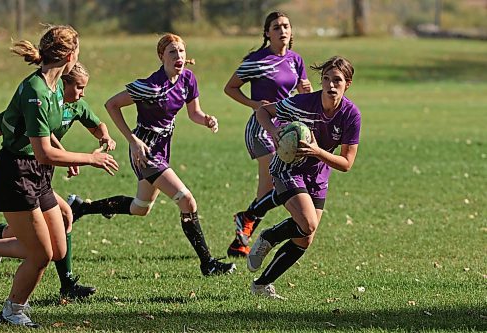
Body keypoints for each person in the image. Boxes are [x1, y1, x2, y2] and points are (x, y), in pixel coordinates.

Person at [67, 33, 236, 276]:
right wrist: (132, 140)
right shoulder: (150, 86)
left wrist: (207, 120)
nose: (178, 56)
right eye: (172, 52)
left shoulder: (188, 79)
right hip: (145, 149)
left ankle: (82, 207)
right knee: (187, 200)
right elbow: (111, 104)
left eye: (181, 51)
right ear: (161, 56)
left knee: (140, 207)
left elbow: (194, 113)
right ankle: (208, 263)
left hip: (162, 149)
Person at [0, 25, 119, 328]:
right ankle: (12, 311)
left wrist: (73, 153)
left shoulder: (53, 89)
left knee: (58, 248)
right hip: (16, 173)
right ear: (71, 56)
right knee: (40, 255)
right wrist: (90, 158)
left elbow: (46, 138)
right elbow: (43, 151)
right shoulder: (35, 91)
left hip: (37, 174)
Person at [248, 56, 361, 299]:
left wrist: (318, 152)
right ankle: (269, 236)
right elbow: (262, 112)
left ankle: (261, 285)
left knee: (304, 239)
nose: (331, 85)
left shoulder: (351, 115)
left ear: (347, 84)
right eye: (326, 79)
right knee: (307, 224)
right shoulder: (302, 103)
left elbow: (347, 163)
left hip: (318, 173)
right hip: (288, 168)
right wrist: (275, 132)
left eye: (337, 81)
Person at [223, 11, 312, 257]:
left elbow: (303, 93)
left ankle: (242, 235)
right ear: (267, 33)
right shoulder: (257, 60)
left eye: (286, 26)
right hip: (262, 128)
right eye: (276, 27)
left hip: (286, 130)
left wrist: (307, 92)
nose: (282, 30)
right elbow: (229, 88)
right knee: (273, 182)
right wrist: (254, 104)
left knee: (268, 187)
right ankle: (246, 225)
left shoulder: (296, 60)